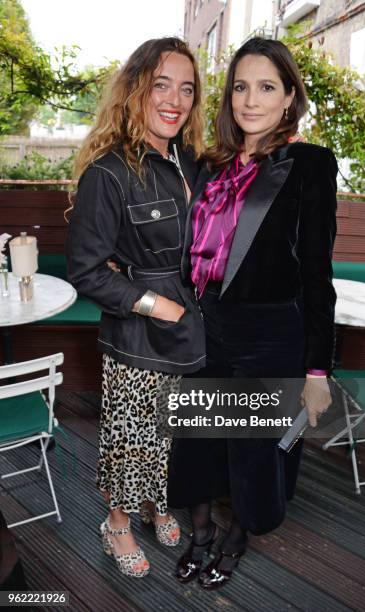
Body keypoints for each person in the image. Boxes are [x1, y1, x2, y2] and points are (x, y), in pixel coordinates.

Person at [168, 36, 337, 590]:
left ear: (290, 96)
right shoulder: (210, 164)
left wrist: (317, 370)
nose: (250, 99)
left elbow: (317, 273)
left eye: (266, 87)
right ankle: (199, 534)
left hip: (269, 333)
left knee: (249, 451)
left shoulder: (309, 164)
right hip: (206, 322)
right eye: (241, 86)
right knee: (196, 441)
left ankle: (236, 540)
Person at [66, 37, 205, 578]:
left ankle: (155, 503)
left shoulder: (191, 163)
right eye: (160, 85)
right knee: (132, 437)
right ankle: (118, 521)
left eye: (186, 89)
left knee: (171, 433)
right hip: (139, 336)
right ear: (136, 91)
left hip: (193, 329)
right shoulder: (108, 173)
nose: (174, 99)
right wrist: (154, 305)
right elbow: (85, 271)